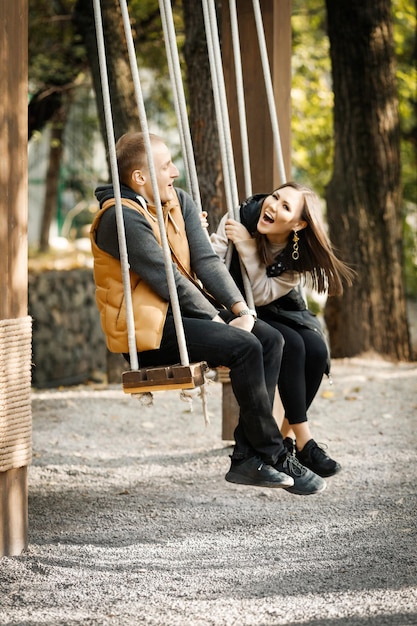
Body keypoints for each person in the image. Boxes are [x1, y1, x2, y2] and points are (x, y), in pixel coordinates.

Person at [90, 131, 326, 495]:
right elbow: (167, 279)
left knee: (270, 338)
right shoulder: (119, 218)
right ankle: (272, 453)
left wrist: (240, 309)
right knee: (245, 346)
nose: (174, 172)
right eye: (166, 165)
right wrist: (221, 322)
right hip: (151, 331)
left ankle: (248, 455)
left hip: (186, 318)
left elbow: (205, 261)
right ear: (139, 177)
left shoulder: (177, 201)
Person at [209, 182, 355, 477]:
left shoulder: (298, 255)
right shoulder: (241, 217)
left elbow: (265, 293)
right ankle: (305, 442)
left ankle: (290, 439)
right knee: (293, 345)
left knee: (315, 348)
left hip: (279, 305)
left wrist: (248, 247)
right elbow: (214, 264)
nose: (273, 206)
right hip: (242, 304)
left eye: (285, 207)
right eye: (275, 197)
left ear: (299, 224)